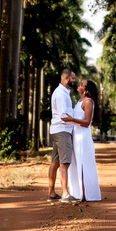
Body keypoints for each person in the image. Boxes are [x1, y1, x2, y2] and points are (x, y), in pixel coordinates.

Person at [61, 79, 102, 202]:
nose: (79, 85)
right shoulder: (79, 101)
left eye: (82, 84)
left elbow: (87, 122)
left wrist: (71, 119)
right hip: (76, 136)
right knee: (76, 163)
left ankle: (86, 194)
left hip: (83, 137)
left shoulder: (88, 102)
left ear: (86, 90)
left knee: (84, 164)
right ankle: (79, 193)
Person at [47, 68, 78, 202]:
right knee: (64, 163)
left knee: (55, 163)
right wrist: (78, 121)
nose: (74, 80)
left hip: (58, 130)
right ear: (66, 78)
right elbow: (63, 115)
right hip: (62, 130)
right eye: (73, 78)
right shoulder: (61, 93)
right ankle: (65, 193)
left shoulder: (63, 92)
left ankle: (51, 193)